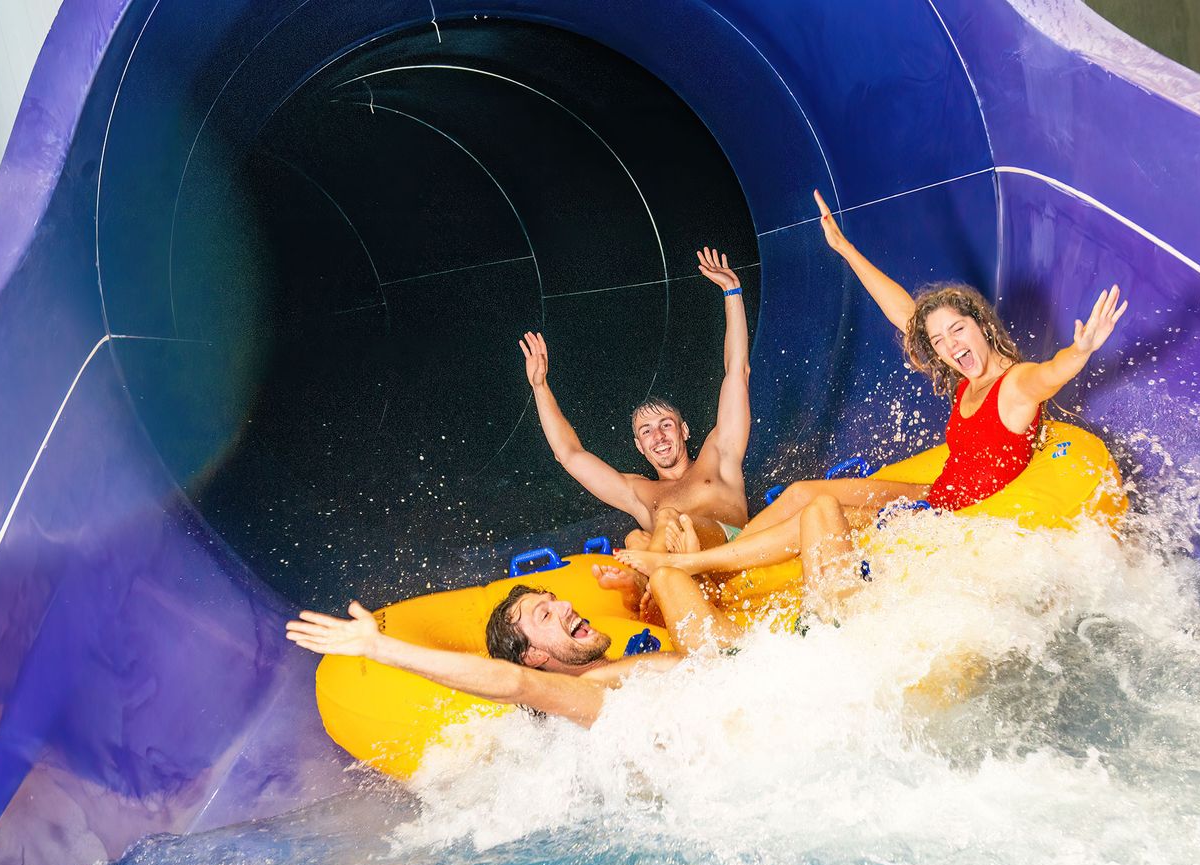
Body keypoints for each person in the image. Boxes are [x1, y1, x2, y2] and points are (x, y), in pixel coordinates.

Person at [614, 191, 1127, 584]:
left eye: (958, 331)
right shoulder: (962, 378)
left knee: (820, 514)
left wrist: (1079, 352)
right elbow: (906, 313)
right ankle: (733, 547)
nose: (948, 346)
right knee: (801, 491)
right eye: (939, 340)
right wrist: (844, 249)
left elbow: (1048, 374)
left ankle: (700, 564)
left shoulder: (1011, 386)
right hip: (935, 491)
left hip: (948, 514)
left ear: (981, 325)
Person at [285, 492, 860, 726]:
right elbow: (510, 684)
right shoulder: (590, 697)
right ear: (535, 656)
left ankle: (693, 568)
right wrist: (378, 646)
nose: (562, 607)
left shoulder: (632, 663)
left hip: (782, 663)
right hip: (787, 697)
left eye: (553, 600)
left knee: (822, 511)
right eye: (544, 615)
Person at [521, 247, 752, 554]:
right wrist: (539, 386)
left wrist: (732, 291)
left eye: (665, 425)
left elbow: (736, 371)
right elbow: (569, 454)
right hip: (677, 570)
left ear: (684, 431)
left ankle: (648, 573)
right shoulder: (638, 492)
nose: (657, 436)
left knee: (665, 523)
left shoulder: (719, 452)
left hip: (731, 549)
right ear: (639, 446)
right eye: (646, 432)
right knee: (636, 538)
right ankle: (642, 583)